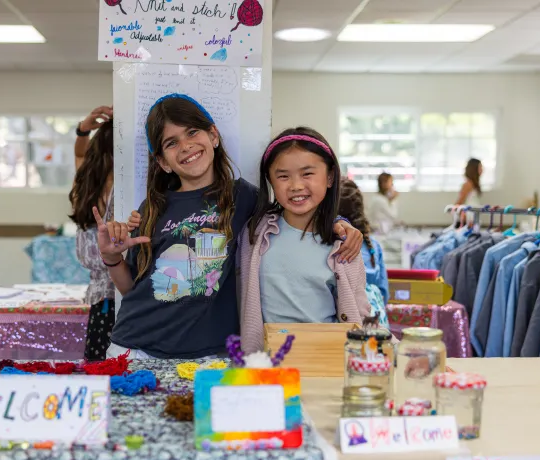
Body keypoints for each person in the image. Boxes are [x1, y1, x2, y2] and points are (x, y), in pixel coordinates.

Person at [95, 94, 363, 359]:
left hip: (211, 354)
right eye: (171, 142)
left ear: (213, 135)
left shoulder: (245, 197)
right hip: (135, 347)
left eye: (192, 132)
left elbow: (292, 213)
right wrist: (111, 258)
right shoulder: (152, 209)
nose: (186, 146)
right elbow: (131, 289)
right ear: (163, 162)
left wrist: (339, 224)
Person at [239, 127, 372, 353]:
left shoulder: (343, 245)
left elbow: (359, 312)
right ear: (270, 180)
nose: (296, 186)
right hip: (267, 362)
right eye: (283, 176)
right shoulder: (255, 233)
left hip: (325, 357)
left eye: (307, 174)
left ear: (330, 177)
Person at [69, 113, 115, 361]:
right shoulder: (128, 186)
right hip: (122, 294)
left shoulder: (86, 185)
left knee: (100, 366)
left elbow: (79, 155)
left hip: (101, 298)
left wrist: (83, 130)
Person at [339, 180, 390, 327]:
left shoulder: (328, 246)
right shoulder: (372, 246)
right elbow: (384, 293)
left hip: (341, 325)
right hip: (375, 325)